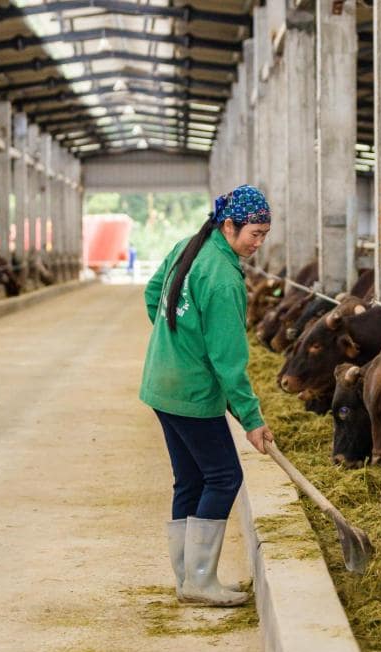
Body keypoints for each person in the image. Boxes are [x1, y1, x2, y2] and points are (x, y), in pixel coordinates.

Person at [139, 184, 274, 607]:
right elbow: (228, 362)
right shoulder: (222, 279)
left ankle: (187, 579)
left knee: (192, 478)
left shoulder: (187, 246)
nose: (258, 243)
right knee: (224, 476)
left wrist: (174, 344)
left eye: (265, 234)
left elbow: (151, 295)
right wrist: (252, 419)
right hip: (192, 392)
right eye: (254, 233)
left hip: (163, 383)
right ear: (229, 225)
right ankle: (199, 580)